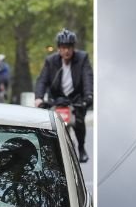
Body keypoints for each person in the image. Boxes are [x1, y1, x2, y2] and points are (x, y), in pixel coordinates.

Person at [34, 29, 93, 162]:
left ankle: (81, 148)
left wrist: (88, 96)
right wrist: (38, 98)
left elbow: (87, 78)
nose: (66, 51)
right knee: (49, 125)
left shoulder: (82, 58)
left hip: (75, 100)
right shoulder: (51, 61)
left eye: (69, 47)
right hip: (56, 100)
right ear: (58, 48)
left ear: (74, 48)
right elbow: (42, 80)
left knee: (79, 121)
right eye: (63, 47)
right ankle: (48, 151)